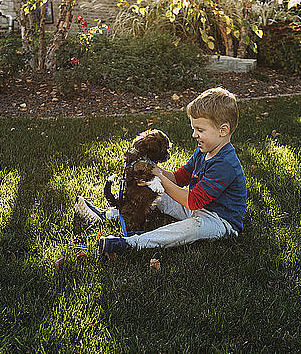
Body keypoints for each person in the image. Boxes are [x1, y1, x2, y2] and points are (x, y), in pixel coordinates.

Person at [75, 87, 247, 257]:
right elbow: (179, 179)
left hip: (220, 221)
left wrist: (158, 175)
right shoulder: (202, 152)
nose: (194, 135)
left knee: (194, 227)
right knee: (156, 189)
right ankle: (107, 215)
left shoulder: (225, 164)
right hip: (196, 209)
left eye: (200, 130)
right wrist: (150, 170)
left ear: (223, 131)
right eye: (194, 129)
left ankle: (131, 243)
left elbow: (193, 201)